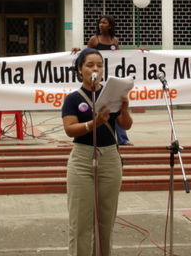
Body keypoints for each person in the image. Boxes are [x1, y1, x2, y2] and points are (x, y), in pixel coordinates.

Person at [61, 48, 132, 255]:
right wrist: (94, 123)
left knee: (106, 219)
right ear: (79, 69)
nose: (95, 69)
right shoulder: (73, 99)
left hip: (109, 156)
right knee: (80, 221)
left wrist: (125, 109)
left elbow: (125, 126)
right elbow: (69, 129)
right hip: (82, 158)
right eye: (90, 65)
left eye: (99, 65)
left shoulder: (111, 94)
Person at [73, 15, 133, 145]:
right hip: (98, 79)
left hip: (111, 79)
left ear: (110, 25)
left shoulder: (114, 40)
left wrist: (138, 53)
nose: (101, 25)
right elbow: (86, 54)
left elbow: (120, 58)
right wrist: (79, 51)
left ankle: (122, 138)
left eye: (104, 22)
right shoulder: (94, 39)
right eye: (100, 22)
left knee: (115, 107)